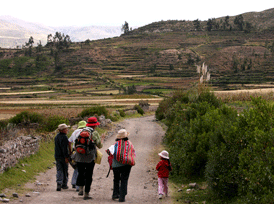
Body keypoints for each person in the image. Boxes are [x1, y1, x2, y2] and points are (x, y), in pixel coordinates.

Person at [74, 117, 104, 200]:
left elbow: (75, 143)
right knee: (88, 175)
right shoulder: (94, 133)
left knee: (80, 172)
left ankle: (80, 189)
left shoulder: (80, 132)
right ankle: (86, 194)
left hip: (79, 156)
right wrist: (101, 140)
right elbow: (100, 146)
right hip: (90, 157)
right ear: (95, 125)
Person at [112, 129, 136, 202]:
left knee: (116, 179)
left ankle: (115, 194)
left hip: (116, 165)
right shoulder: (130, 144)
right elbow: (133, 153)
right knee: (124, 180)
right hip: (126, 165)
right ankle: (122, 197)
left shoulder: (115, 144)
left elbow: (110, 152)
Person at [68, 120, 87, 191]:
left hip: (75, 152)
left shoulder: (74, 132)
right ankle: (78, 185)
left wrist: (70, 152)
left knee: (76, 167)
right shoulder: (86, 132)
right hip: (83, 152)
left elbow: (69, 141)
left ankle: (73, 182)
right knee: (81, 169)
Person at [54, 123, 70, 191]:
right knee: (65, 170)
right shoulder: (64, 137)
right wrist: (66, 157)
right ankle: (64, 184)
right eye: (66, 129)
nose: (67, 130)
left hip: (57, 156)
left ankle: (59, 183)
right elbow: (64, 148)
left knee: (59, 169)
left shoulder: (57, 136)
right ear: (62, 130)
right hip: (63, 157)